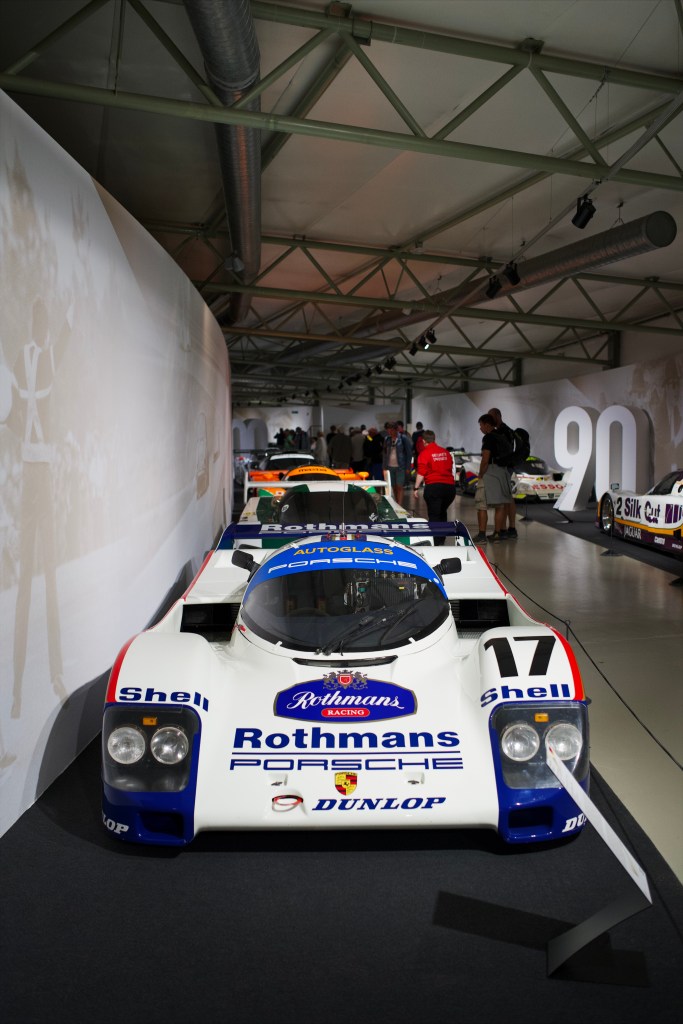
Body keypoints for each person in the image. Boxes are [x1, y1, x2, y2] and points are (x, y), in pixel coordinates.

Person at [413, 430, 456, 546]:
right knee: (442, 512)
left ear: (423, 441)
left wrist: (416, 488)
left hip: (434, 487)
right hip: (449, 489)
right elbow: (451, 468)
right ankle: (441, 539)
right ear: (434, 439)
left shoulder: (424, 454)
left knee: (434, 515)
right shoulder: (445, 452)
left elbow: (421, 473)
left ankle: (436, 542)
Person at [475, 414, 514, 542]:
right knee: (500, 505)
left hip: (490, 472)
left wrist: (481, 474)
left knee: (481, 504)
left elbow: (485, 459)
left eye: (481, 425)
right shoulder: (502, 437)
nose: (480, 428)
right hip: (502, 472)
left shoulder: (488, 438)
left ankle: (481, 535)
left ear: (487, 425)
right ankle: (498, 533)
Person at [488, 406, 518, 539]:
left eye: (491, 416)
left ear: (497, 416)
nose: (489, 419)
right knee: (507, 497)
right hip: (508, 466)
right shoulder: (508, 430)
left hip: (503, 467)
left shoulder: (501, 432)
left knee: (505, 498)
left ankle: (505, 529)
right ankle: (508, 528)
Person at [382, 422, 411, 506]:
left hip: (401, 466)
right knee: (394, 486)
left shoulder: (403, 438)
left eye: (391, 430)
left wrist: (408, 467)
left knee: (399, 486)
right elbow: (384, 454)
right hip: (389, 466)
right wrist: (384, 467)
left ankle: (399, 505)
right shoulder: (387, 439)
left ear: (396, 430)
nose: (389, 432)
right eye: (388, 431)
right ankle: (396, 503)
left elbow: (409, 453)